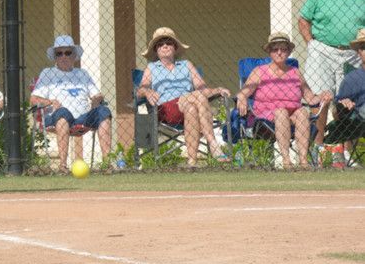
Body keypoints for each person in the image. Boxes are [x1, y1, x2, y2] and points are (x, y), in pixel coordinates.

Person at [137, 27, 231, 167]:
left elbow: (202, 88)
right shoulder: (152, 68)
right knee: (197, 97)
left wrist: (217, 89)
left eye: (169, 42)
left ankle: (192, 162)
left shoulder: (186, 65)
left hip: (188, 105)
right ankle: (213, 143)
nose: (165, 46)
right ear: (156, 50)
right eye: (160, 44)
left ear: (175, 47)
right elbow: (140, 89)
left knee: (192, 108)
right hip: (165, 109)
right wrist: (147, 92)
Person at [236, 32, 331, 169]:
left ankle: (303, 160)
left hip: (292, 115)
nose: (279, 52)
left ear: (289, 51)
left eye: (283, 49)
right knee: (281, 112)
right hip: (265, 118)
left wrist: (323, 95)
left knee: (303, 112)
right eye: (275, 49)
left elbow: (310, 98)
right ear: (269, 51)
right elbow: (243, 92)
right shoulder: (259, 71)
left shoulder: (295, 72)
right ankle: (286, 160)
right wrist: (242, 97)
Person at [298, 0, 365, 145]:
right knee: (320, 101)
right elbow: (303, 20)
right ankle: (318, 150)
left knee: (347, 103)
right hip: (322, 50)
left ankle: (342, 152)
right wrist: (311, 43)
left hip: (352, 54)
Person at [30, 36, 120, 172]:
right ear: (55, 57)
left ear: (74, 55)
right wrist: (50, 102)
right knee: (63, 112)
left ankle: (107, 164)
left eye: (67, 53)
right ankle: (63, 166)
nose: (63, 56)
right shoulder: (48, 73)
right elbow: (34, 99)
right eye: (59, 53)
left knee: (104, 111)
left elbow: (96, 95)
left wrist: (97, 99)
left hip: (83, 118)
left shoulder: (82, 74)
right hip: (56, 117)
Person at [331, 28, 365, 158]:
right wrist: (344, 101)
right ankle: (345, 152)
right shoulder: (352, 78)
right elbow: (338, 108)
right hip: (360, 118)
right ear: (359, 52)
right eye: (364, 47)